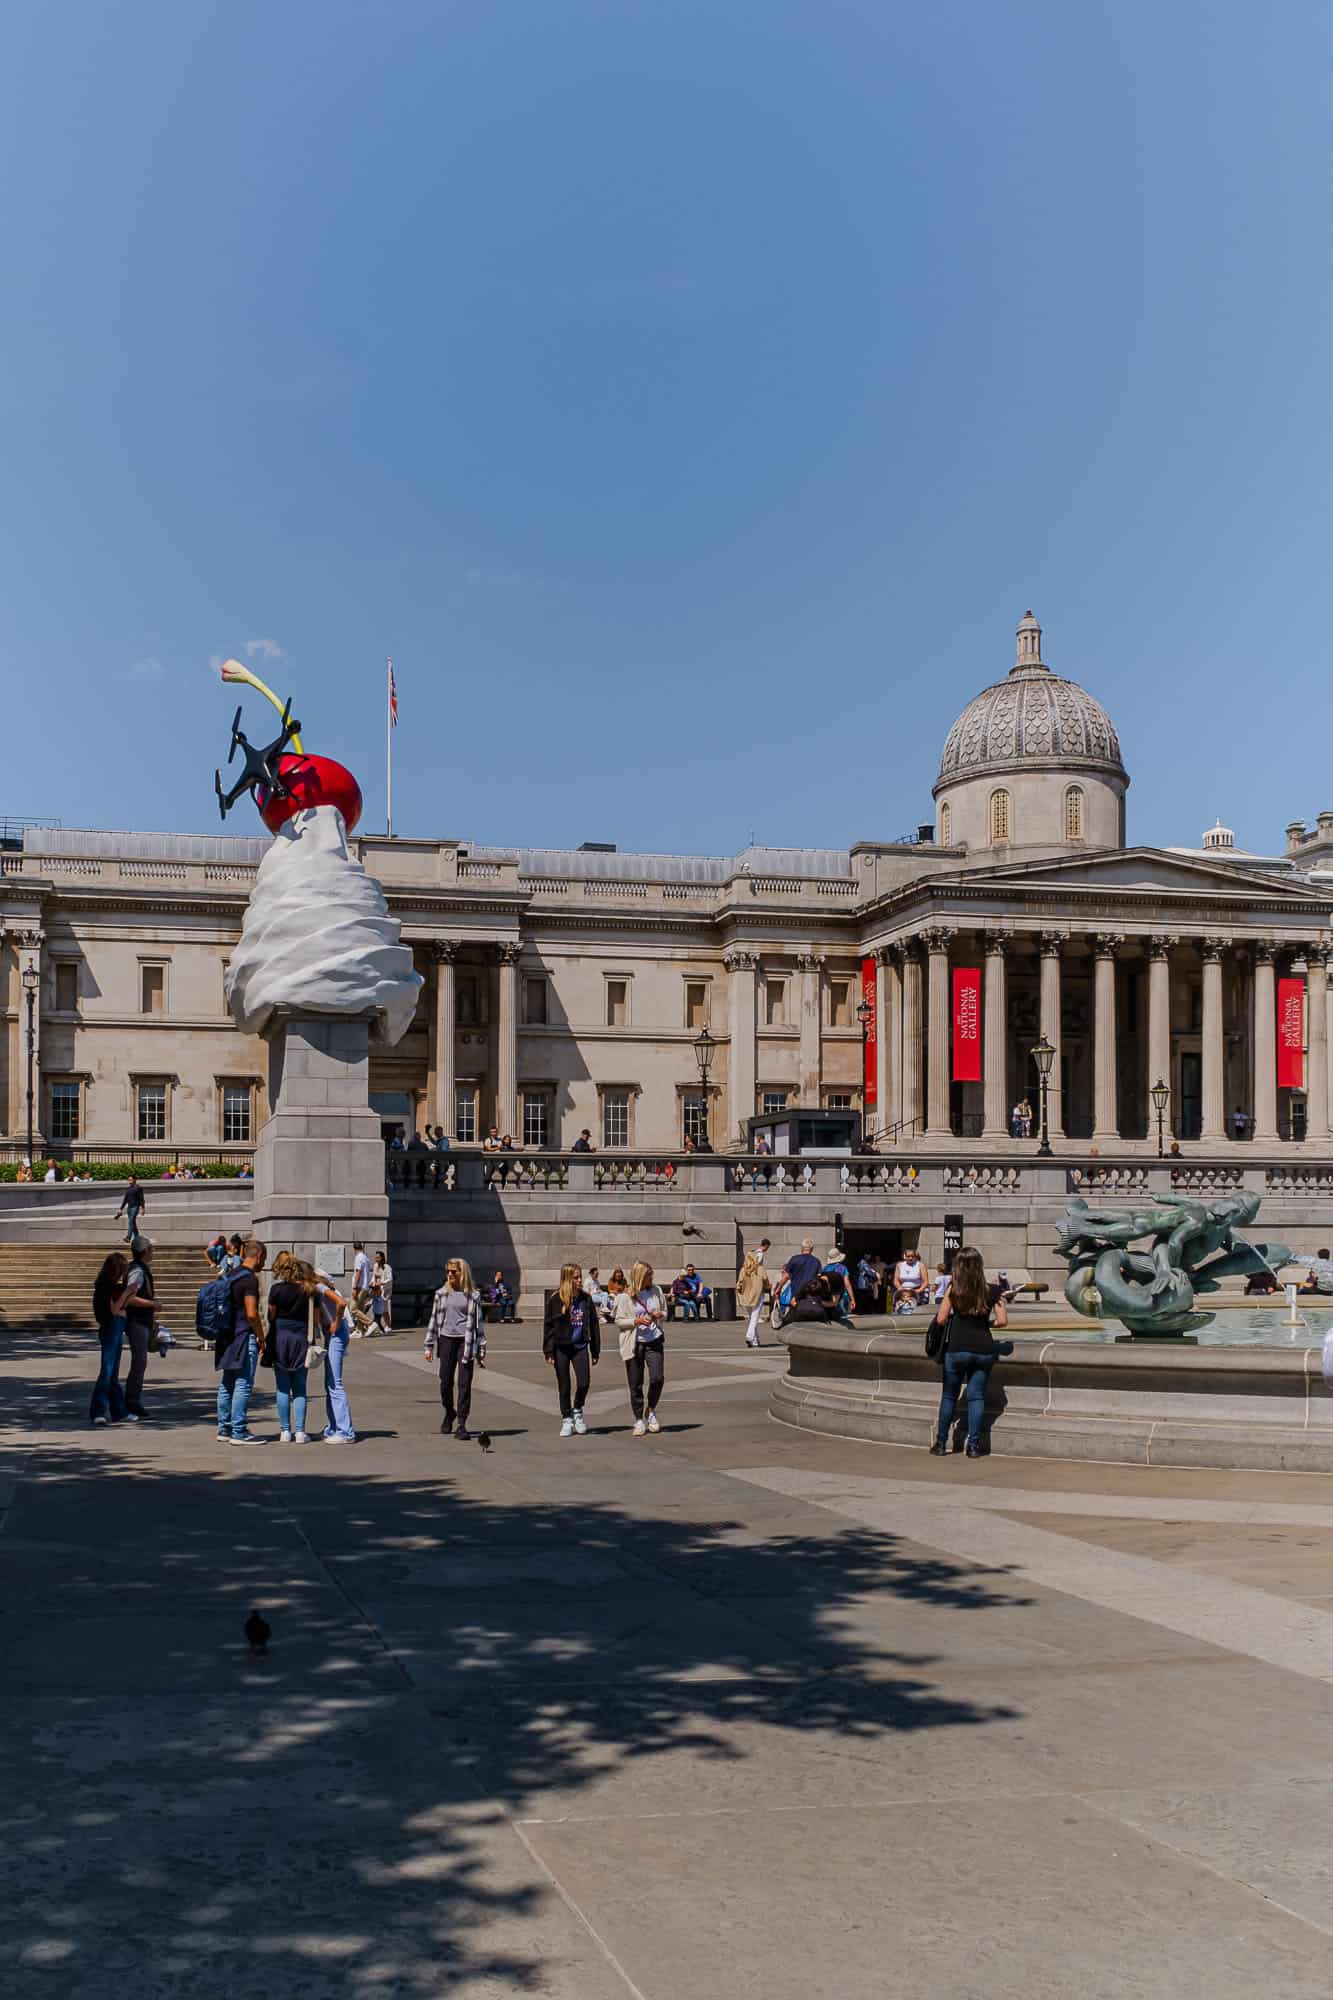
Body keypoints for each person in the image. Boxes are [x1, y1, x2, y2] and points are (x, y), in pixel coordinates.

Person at [930, 1245, 1014, 1458]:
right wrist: (986, 1325)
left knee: (949, 1396)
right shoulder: (993, 1290)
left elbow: (940, 1319)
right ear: (979, 1266)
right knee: (976, 1398)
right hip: (984, 1349)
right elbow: (1003, 1321)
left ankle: (940, 1444)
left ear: (958, 1266)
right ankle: (974, 1446)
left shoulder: (953, 1289)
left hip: (957, 1349)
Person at [424, 1257, 486, 1440]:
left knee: (464, 1384)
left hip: (465, 1342)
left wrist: (481, 1348)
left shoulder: (473, 1295)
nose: (450, 1274)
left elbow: (478, 1323)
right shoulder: (441, 1293)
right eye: (448, 1271)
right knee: (445, 1382)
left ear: (462, 1273)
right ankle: (449, 1411)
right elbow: (434, 1320)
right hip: (446, 1340)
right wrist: (428, 1346)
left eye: (454, 1271)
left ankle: (461, 1424)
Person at [216, 1237, 267, 1446]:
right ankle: (238, 1431)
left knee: (227, 1383)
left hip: (227, 1334)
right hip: (244, 1335)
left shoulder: (231, 1274)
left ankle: (224, 1428)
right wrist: (261, 1336)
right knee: (243, 1383)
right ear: (259, 1256)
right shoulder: (250, 1280)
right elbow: (252, 1313)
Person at [543, 1262, 601, 1438]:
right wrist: (548, 1351)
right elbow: (548, 1326)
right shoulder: (555, 1299)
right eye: (575, 1277)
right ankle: (566, 1417)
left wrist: (595, 1350)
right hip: (561, 1347)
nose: (579, 1280)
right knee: (564, 1384)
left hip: (580, 1346)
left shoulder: (586, 1299)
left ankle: (577, 1409)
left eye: (580, 1276)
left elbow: (593, 1325)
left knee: (584, 1382)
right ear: (567, 1279)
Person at [267, 1252, 315, 1443]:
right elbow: (317, 1318)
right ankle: (301, 1432)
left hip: (280, 1337)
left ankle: (285, 1431)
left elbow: (271, 1315)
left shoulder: (276, 1290)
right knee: (300, 1388)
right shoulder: (308, 1289)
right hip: (301, 1337)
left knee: (282, 1388)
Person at [90, 1252, 135, 1426]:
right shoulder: (105, 1286)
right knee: (107, 1372)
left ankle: (118, 1411)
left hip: (114, 1328)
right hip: (111, 1328)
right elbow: (114, 1310)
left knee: (113, 1373)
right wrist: (127, 1293)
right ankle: (98, 1411)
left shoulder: (107, 1285)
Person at [624, 1260, 666, 1436]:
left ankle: (650, 1410)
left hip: (654, 1340)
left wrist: (660, 1314)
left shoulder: (656, 1290)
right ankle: (638, 1419)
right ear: (641, 1276)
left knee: (657, 1378)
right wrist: (636, 1321)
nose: (652, 1277)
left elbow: (665, 1311)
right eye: (649, 1274)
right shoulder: (625, 1296)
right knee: (636, 1383)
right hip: (634, 1342)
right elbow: (619, 1320)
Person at [315, 1270, 357, 1442]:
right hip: (335, 1334)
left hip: (336, 1334)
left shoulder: (319, 1287)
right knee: (330, 1383)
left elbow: (341, 1304)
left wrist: (335, 1324)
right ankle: (333, 1427)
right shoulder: (322, 1287)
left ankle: (345, 1431)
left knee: (335, 1383)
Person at [121, 1238, 158, 1419]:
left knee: (140, 1362)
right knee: (139, 1363)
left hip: (141, 1321)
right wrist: (152, 1304)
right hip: (137, 1322)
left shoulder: (139, 1269)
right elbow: (129, 1297)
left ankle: (132, 1400)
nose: (153, 1251)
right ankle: (132, 1401)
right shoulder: (137, 1271)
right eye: (151, 1248)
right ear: (145, 1251)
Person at [736, 1250, 768, 1348]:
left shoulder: (743, 1269)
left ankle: (755, 1341)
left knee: (752, 1317)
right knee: (755, 1317)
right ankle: (749, 1336)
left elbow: (739, 1282)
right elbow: (766, 1280)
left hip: (746, 1296)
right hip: (757, 1295)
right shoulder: (760, 1269)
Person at [822, 1248, 855, 1326]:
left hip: (828, 1297)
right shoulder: (842, 1268)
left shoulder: (825, 1269)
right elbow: (847, 1284)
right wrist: (852, 1299)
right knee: (844, 1320)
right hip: (842, 1296)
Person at [893, 1246, 930, 1310]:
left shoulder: (921, 1265)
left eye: (912, 1256)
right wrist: (900, 1288)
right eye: (908, 1256)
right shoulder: (899, 1265)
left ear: (915, 1257)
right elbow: (896, 1280)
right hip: (902, 1291)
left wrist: (918, 1290)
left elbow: (925, 1281)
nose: (910, 1258)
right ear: (905, 1256)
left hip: (916, 1291)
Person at [116, 1172, 146, 1243]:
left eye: (131, 1180)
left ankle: (128, 1237)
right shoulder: (128, 1189)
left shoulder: (138, 1188)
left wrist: (143, 1208)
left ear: (135, 1180)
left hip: (135, 1207)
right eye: (128, 1180)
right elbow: (125, 1199)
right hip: (129, 1208)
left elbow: (141, 1198)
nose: (129, 1181)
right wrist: (121, 1208)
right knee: (133, 1223)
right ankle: (137, 1238)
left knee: (131, 1222)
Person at [369, 1250, 393, 1332]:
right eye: (375, 1257)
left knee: (385, 1309)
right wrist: (372, 1282)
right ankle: (381, 1326)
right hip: (377, 1290)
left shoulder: (387, 1267)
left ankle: (388, 1326)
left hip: (385, 1290)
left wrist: (382, 1283)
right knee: (378, 1309)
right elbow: (374, 1276)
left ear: (382, 1258)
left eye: (378, 1257)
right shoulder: (375, 1265)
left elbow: (389, 1279)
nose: (376, 1259)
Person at [352, 1242, 371, 1313]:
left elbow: (358, 1272)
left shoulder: (358, 1257)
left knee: (353, 1309)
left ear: (354, 1249)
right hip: (365, 1287)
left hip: (359, 1288)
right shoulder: (365, 1258)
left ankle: (370, 1323)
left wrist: (354, 1288)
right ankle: (361, 1324)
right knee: (360, 1310)